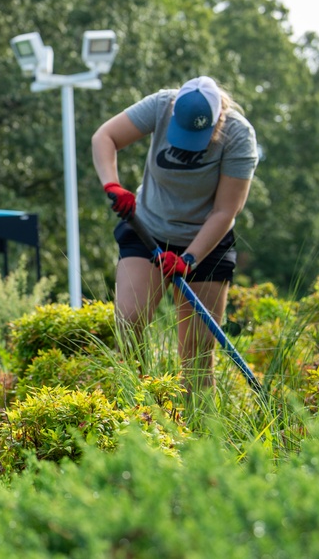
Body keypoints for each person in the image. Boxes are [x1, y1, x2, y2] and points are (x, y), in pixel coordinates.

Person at [91, 76, 258, 399]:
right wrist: (112, 184)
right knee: (129, 321)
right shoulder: (160, 105)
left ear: (217, 119)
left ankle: (201, 439)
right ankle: (140, 411)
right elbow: (105, 137)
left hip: (206, 242)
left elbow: (225, 211)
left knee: (196, 356)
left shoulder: (239, 136)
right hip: (147, 229)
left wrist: (189, 258)